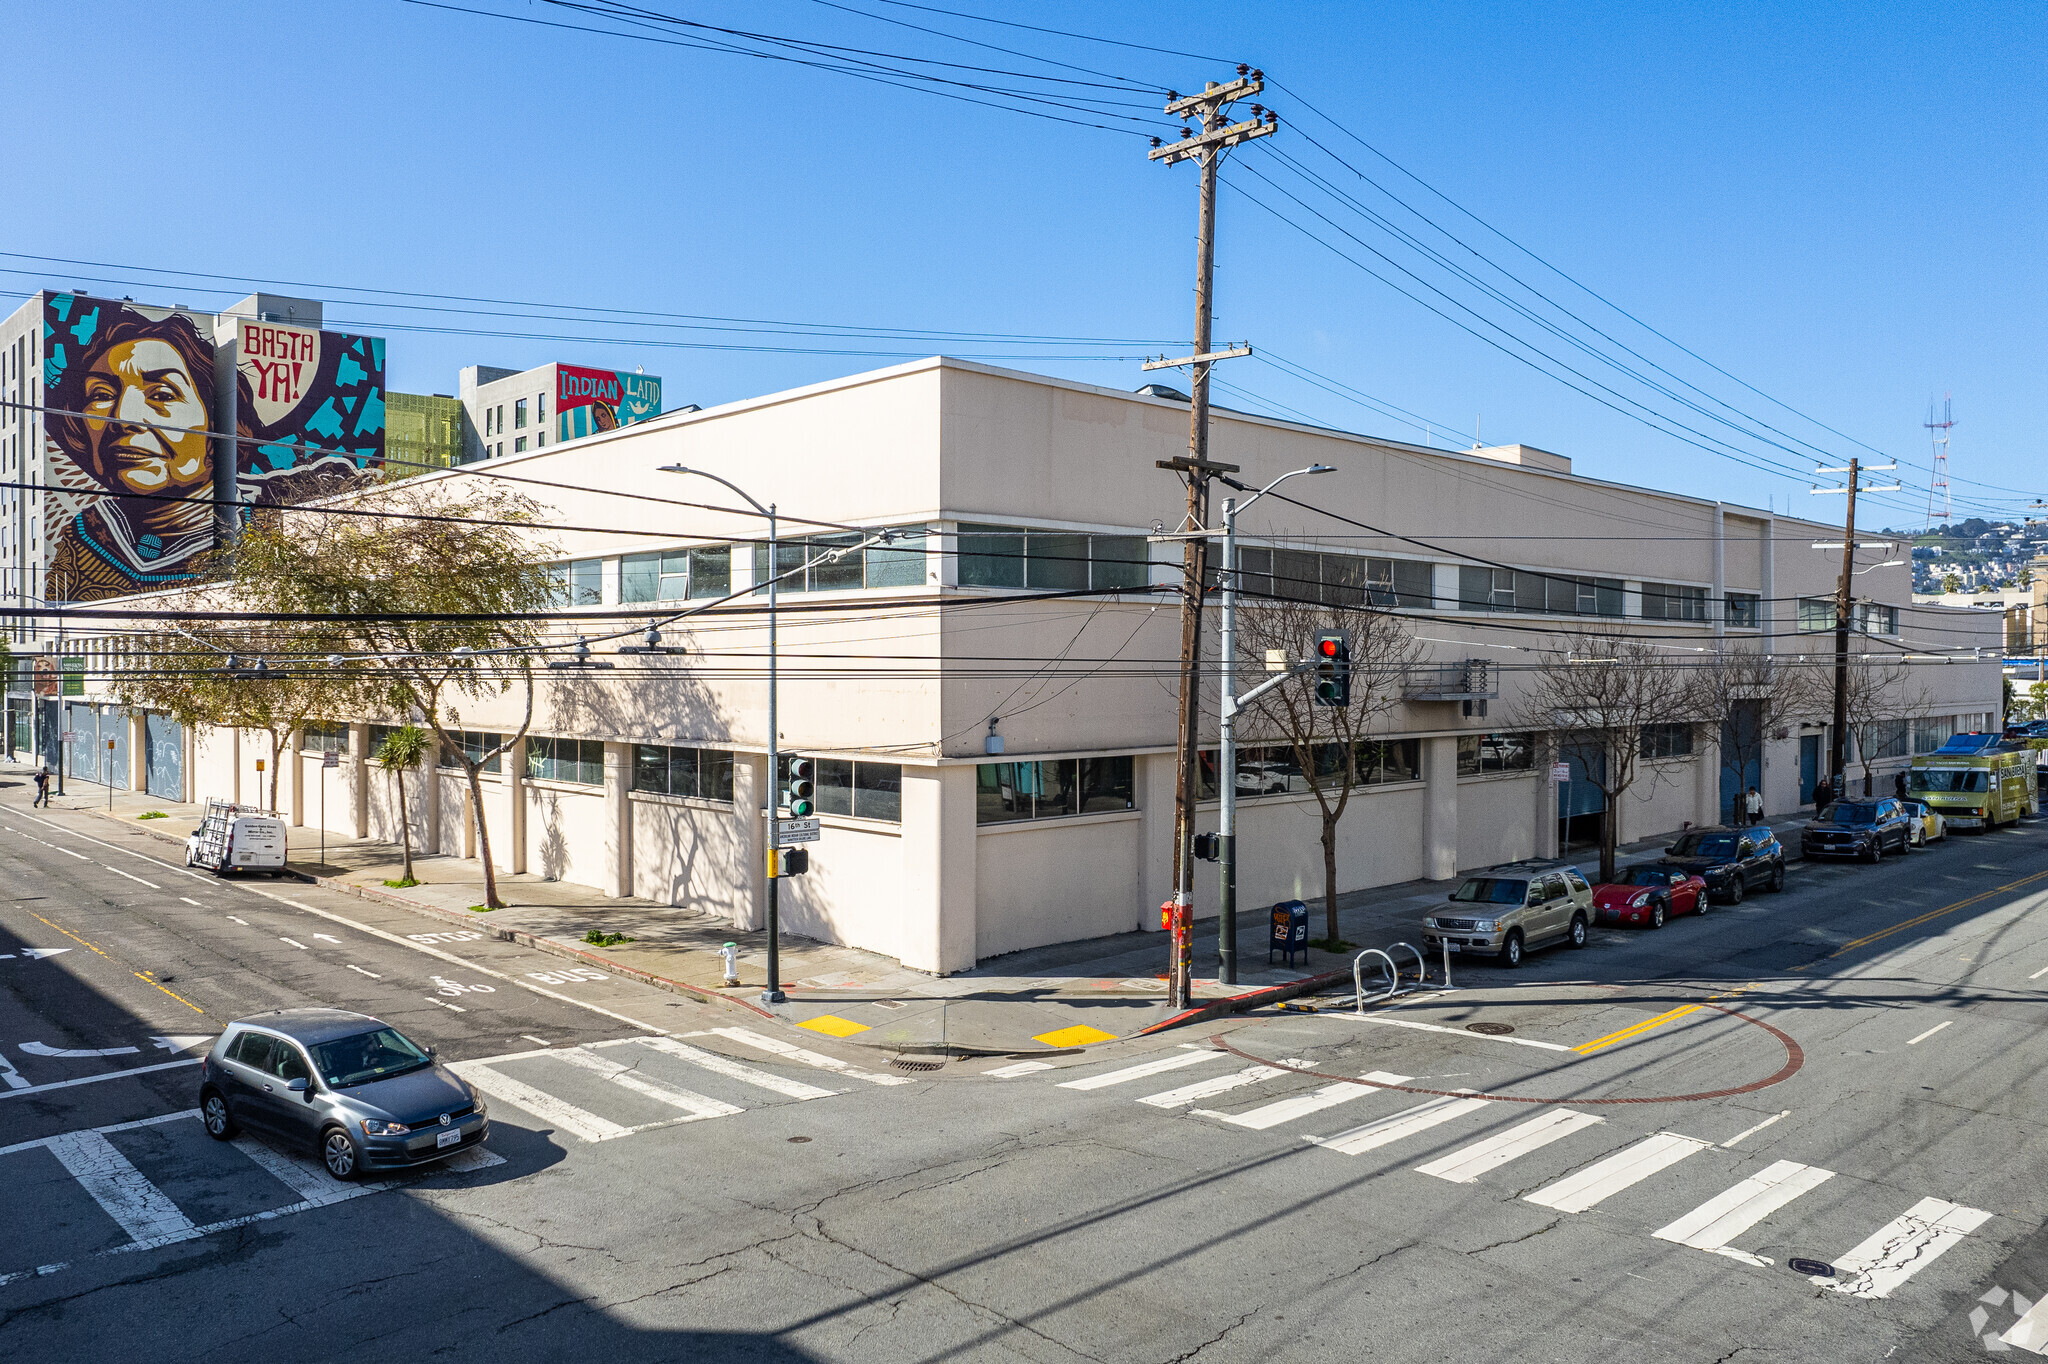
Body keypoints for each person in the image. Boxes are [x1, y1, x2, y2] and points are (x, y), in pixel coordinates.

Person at [42, 298, 221, 604]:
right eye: (101, 394)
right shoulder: (83, 536)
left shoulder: (260, 534)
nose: (124, 416)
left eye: (163, 394)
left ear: (214, 419)